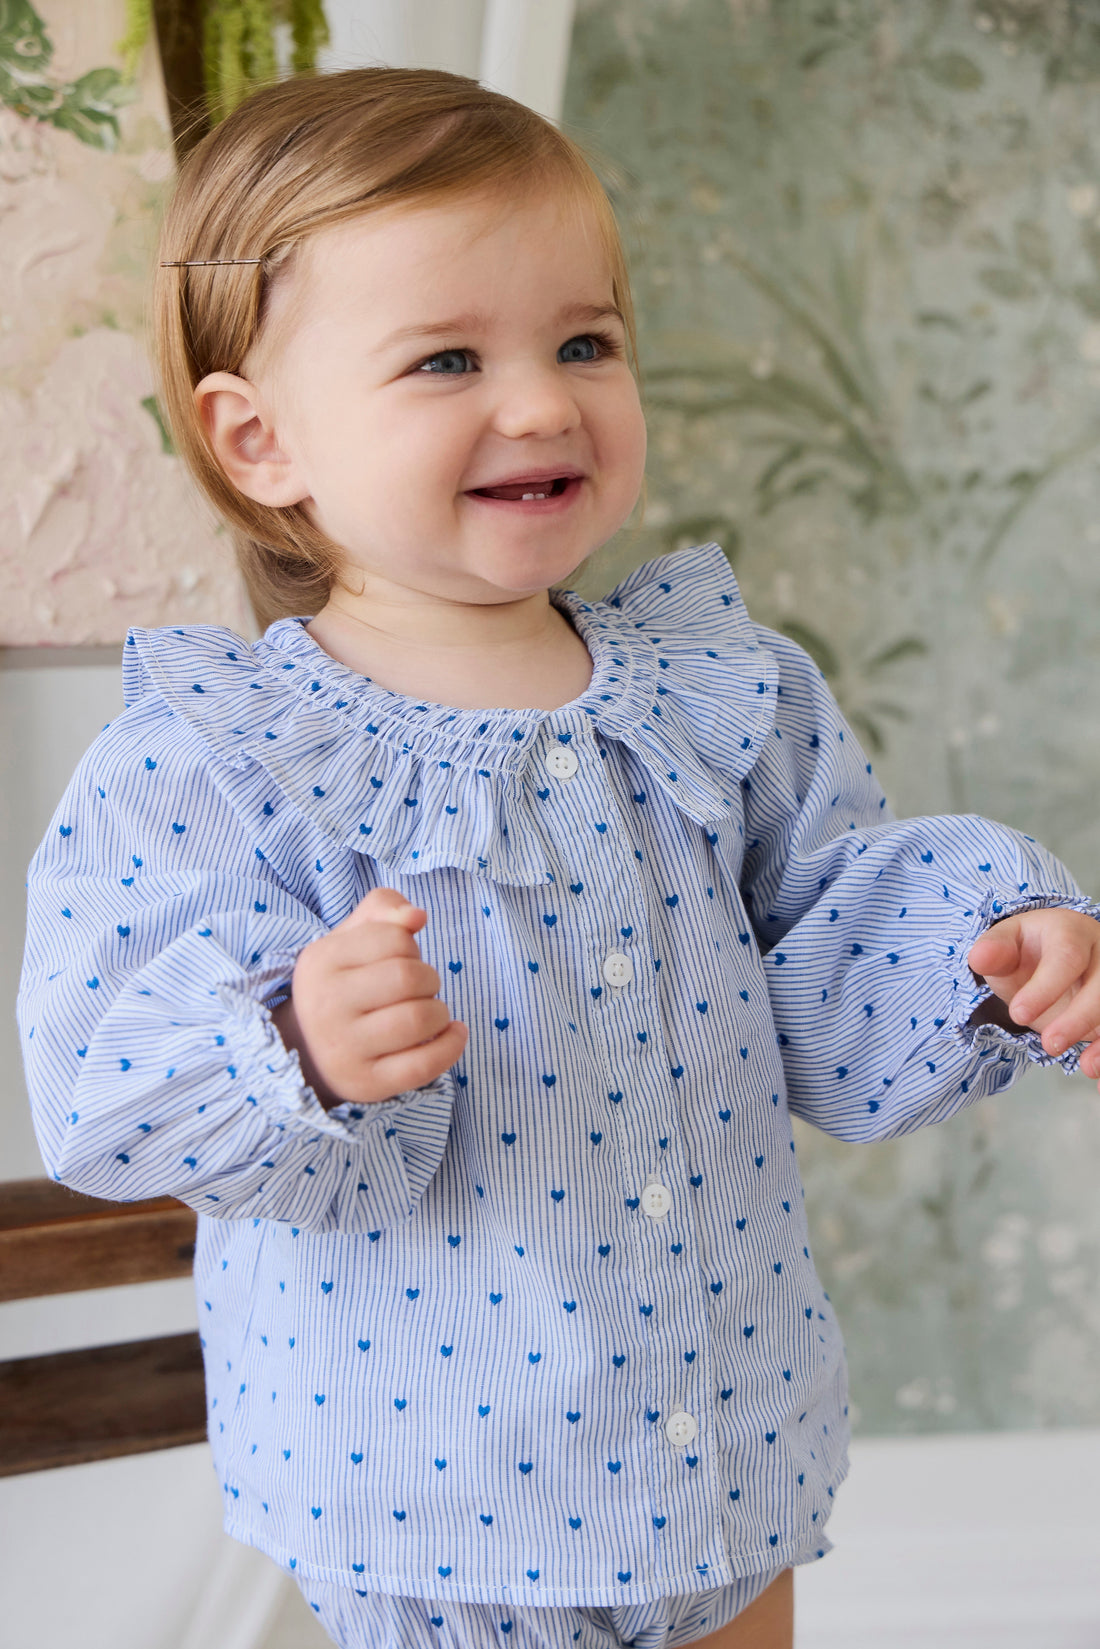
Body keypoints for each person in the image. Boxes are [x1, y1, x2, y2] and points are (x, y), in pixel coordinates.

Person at [17, 67, 1100, 1649]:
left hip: (719, 1427)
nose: (540, 402)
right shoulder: (218, 755)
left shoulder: (717, 692)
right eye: (448, 357)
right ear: (259, 441)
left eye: (584, 341)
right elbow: (104, 1082)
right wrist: (293, 1044)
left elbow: (827, 951)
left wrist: (988, 953)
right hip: (430, 1489)